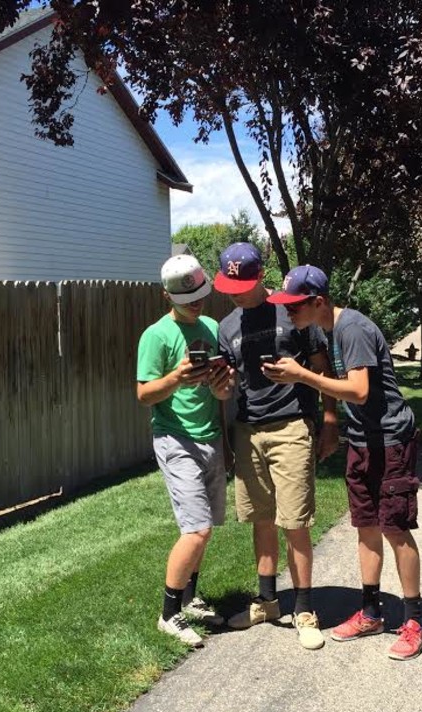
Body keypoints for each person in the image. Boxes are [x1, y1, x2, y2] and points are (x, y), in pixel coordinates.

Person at [266, 264, 422, 660]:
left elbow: (358, 391)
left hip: (390, 440)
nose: (288, 312)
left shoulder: (352, 329)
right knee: (367, 527)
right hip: (362, 440)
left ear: (318, 301)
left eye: (293, 305)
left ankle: (415, 622)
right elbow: (334, 379)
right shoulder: (323, 329)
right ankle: (371, 611)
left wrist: (301, 376)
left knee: (395, 528)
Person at [214, 242, 339, 650]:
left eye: (242, 284)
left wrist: (330, 422)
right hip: (248, 432)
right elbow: (230, 386)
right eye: (229, 284)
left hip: (291, 428)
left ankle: (304, 609)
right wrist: (222, 389)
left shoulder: (292, 311)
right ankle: (267, 601)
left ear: (259, 277)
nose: (234, 292)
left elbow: (323, 369)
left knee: (295, 522)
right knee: (261, 520)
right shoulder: (226, 326)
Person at [136, 254, 235, 647]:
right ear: (167, 296)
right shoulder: (156, 336)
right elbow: (144, 394)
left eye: (200, 293)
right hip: (175, 439)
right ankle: (169, 614)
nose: (197, 302)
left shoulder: (211, 327)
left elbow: (223, 391)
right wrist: (176, 377)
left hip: (210, 436)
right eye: (188, 297)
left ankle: (191, 598)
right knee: (196, 530)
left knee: (205, 530)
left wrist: (220, 386)